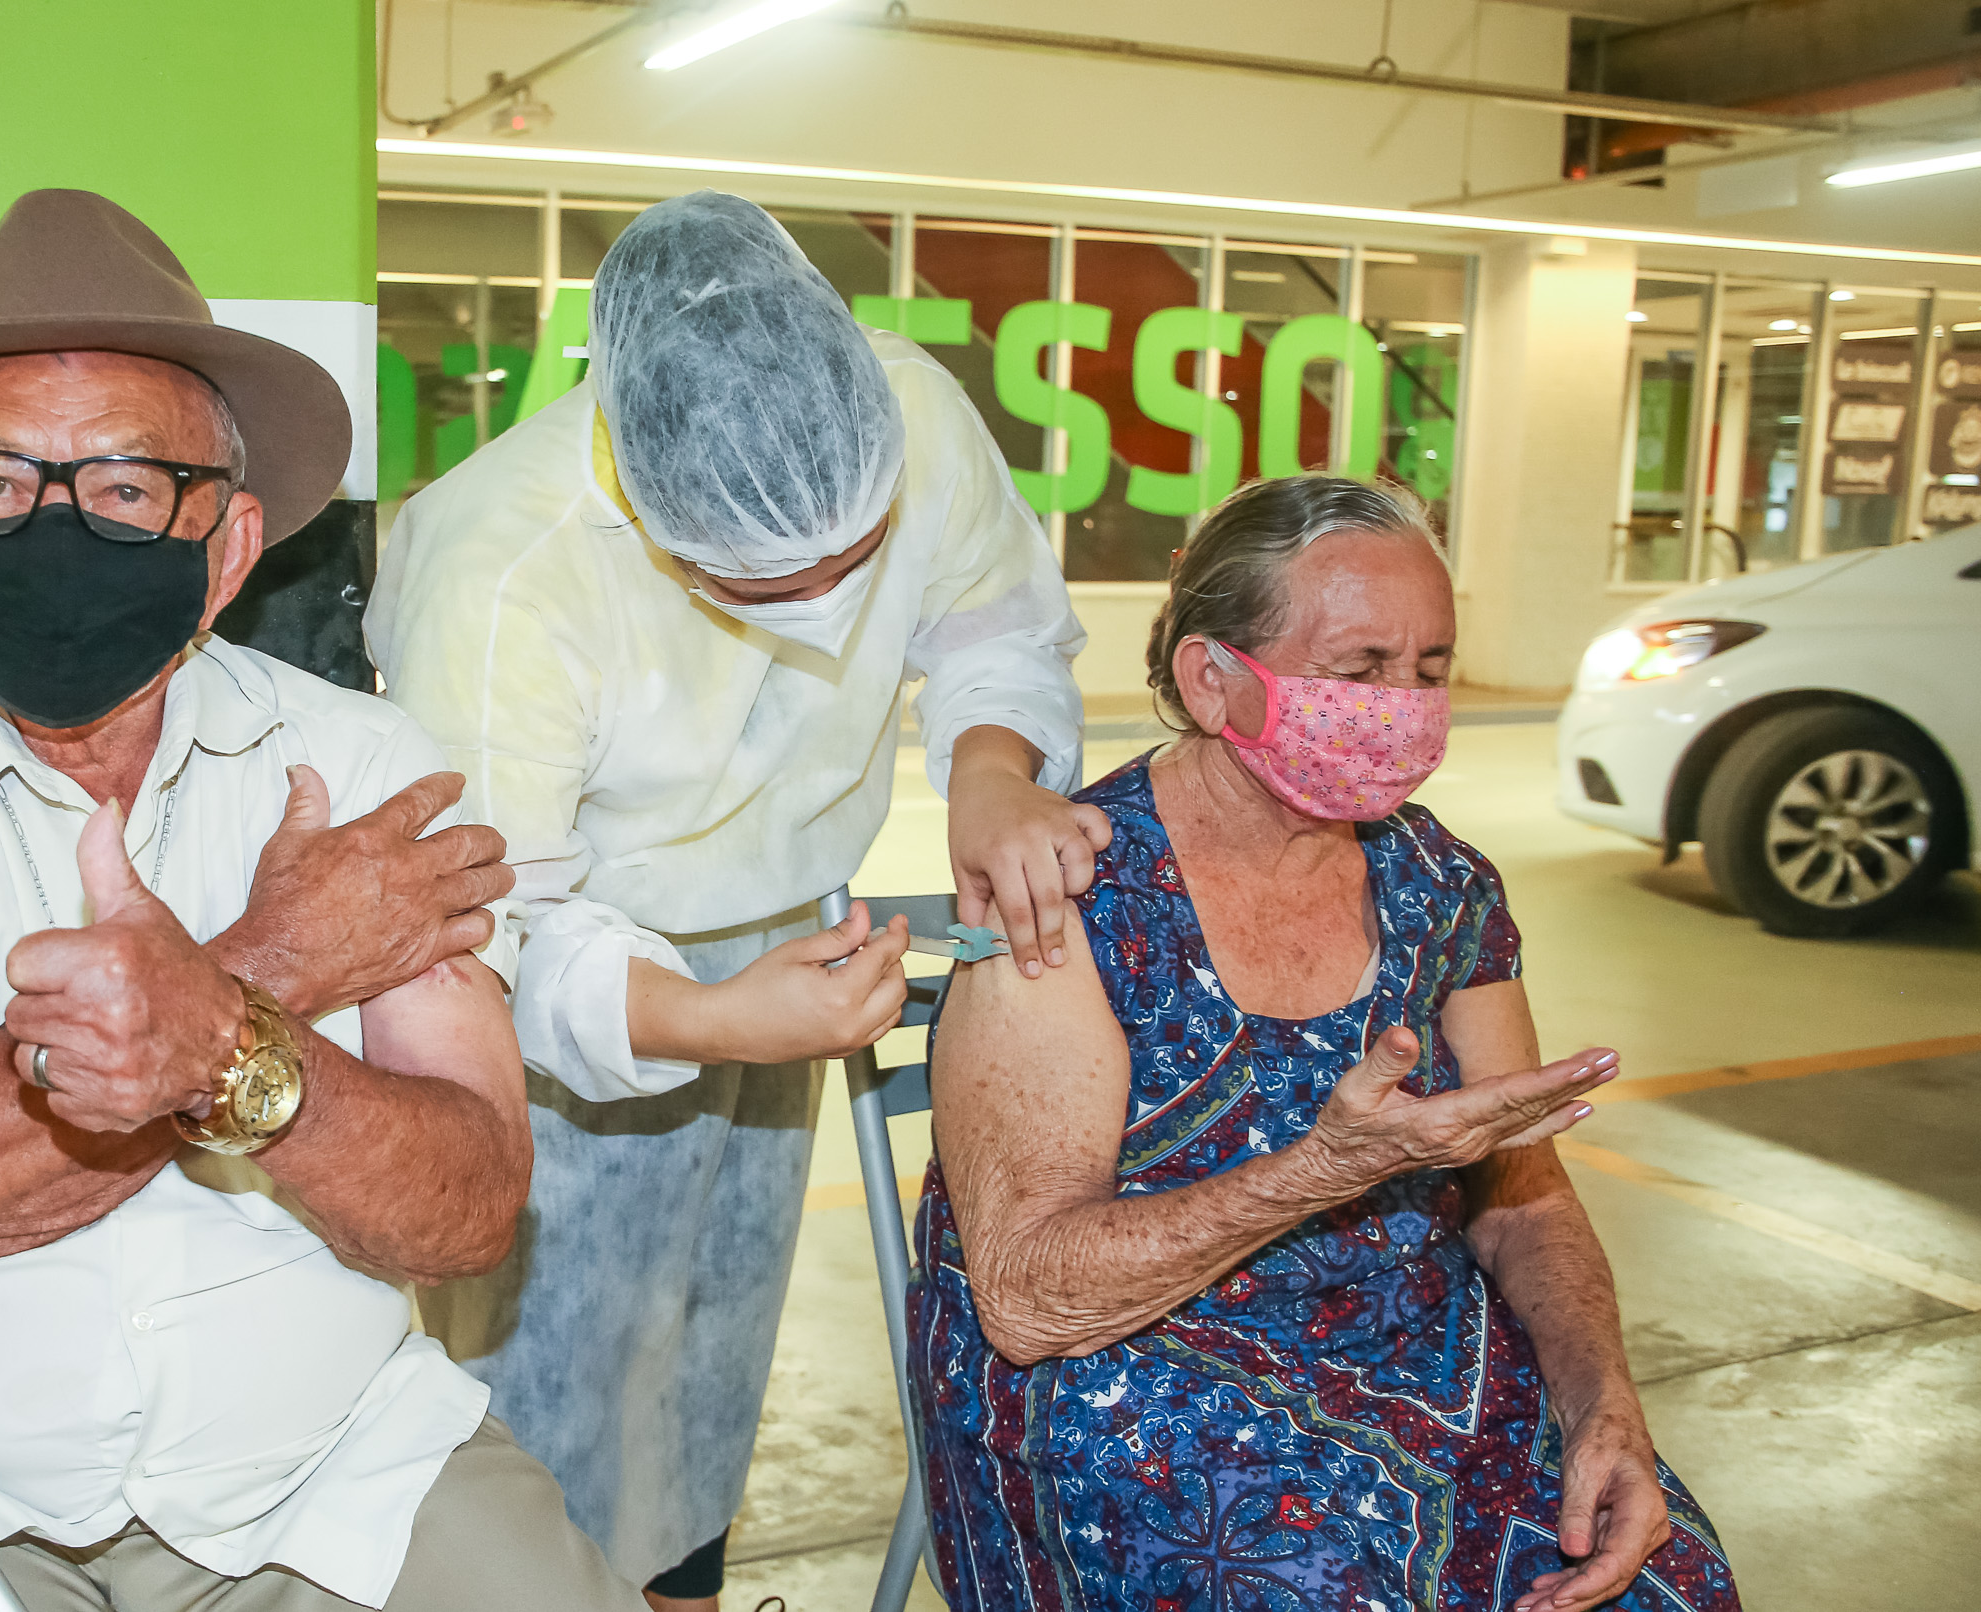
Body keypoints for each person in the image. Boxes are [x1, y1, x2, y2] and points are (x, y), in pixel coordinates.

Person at [0, 189, 636, 1612]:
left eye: (128, 488)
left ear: (231, 545)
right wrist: (273, 970)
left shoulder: (366, 770)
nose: (55, 527)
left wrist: (216, 1038)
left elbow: (460, 1214)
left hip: (334, 1469)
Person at [367, 189, 1104, 1605]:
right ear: (651, 510)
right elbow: (488, 924)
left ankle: (689, 1587)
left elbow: (993, 618)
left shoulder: (902, 410)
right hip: (575, 978)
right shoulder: (503, 567)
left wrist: (993, 773)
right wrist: (700, 1014)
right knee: (553, 1389)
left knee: (713, 1347)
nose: (824, 603)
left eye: (854, 559)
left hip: (790, 921)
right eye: (761, 583)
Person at [907, 476, 1742, 1612]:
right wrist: (1320, 1171)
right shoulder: (1070, 892)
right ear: (1213, 679)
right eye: (1360, 670)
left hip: (1419, 1355)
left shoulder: (1442, 885)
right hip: (1137, 1382)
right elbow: (1029, 1299)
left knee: (1670, 1581)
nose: (1406, 706)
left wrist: (1606, 1408)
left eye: (1431, 669)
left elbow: (1526, 1201)